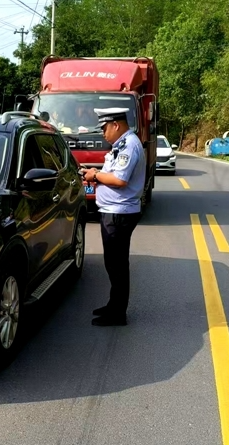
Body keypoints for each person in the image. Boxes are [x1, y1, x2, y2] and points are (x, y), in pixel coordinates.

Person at [80, 107, 146, 326]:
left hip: (119, 214)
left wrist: (95, 175)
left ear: (116, 125)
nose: (103, 133)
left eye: (104, 128)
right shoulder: (121, 145)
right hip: (113, 212)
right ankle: (113, 305)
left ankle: (118, 313)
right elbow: (113, 174)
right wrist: (95, 172)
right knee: (113, 263)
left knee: (117, 265)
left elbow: (120, 180)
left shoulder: (129, 146)